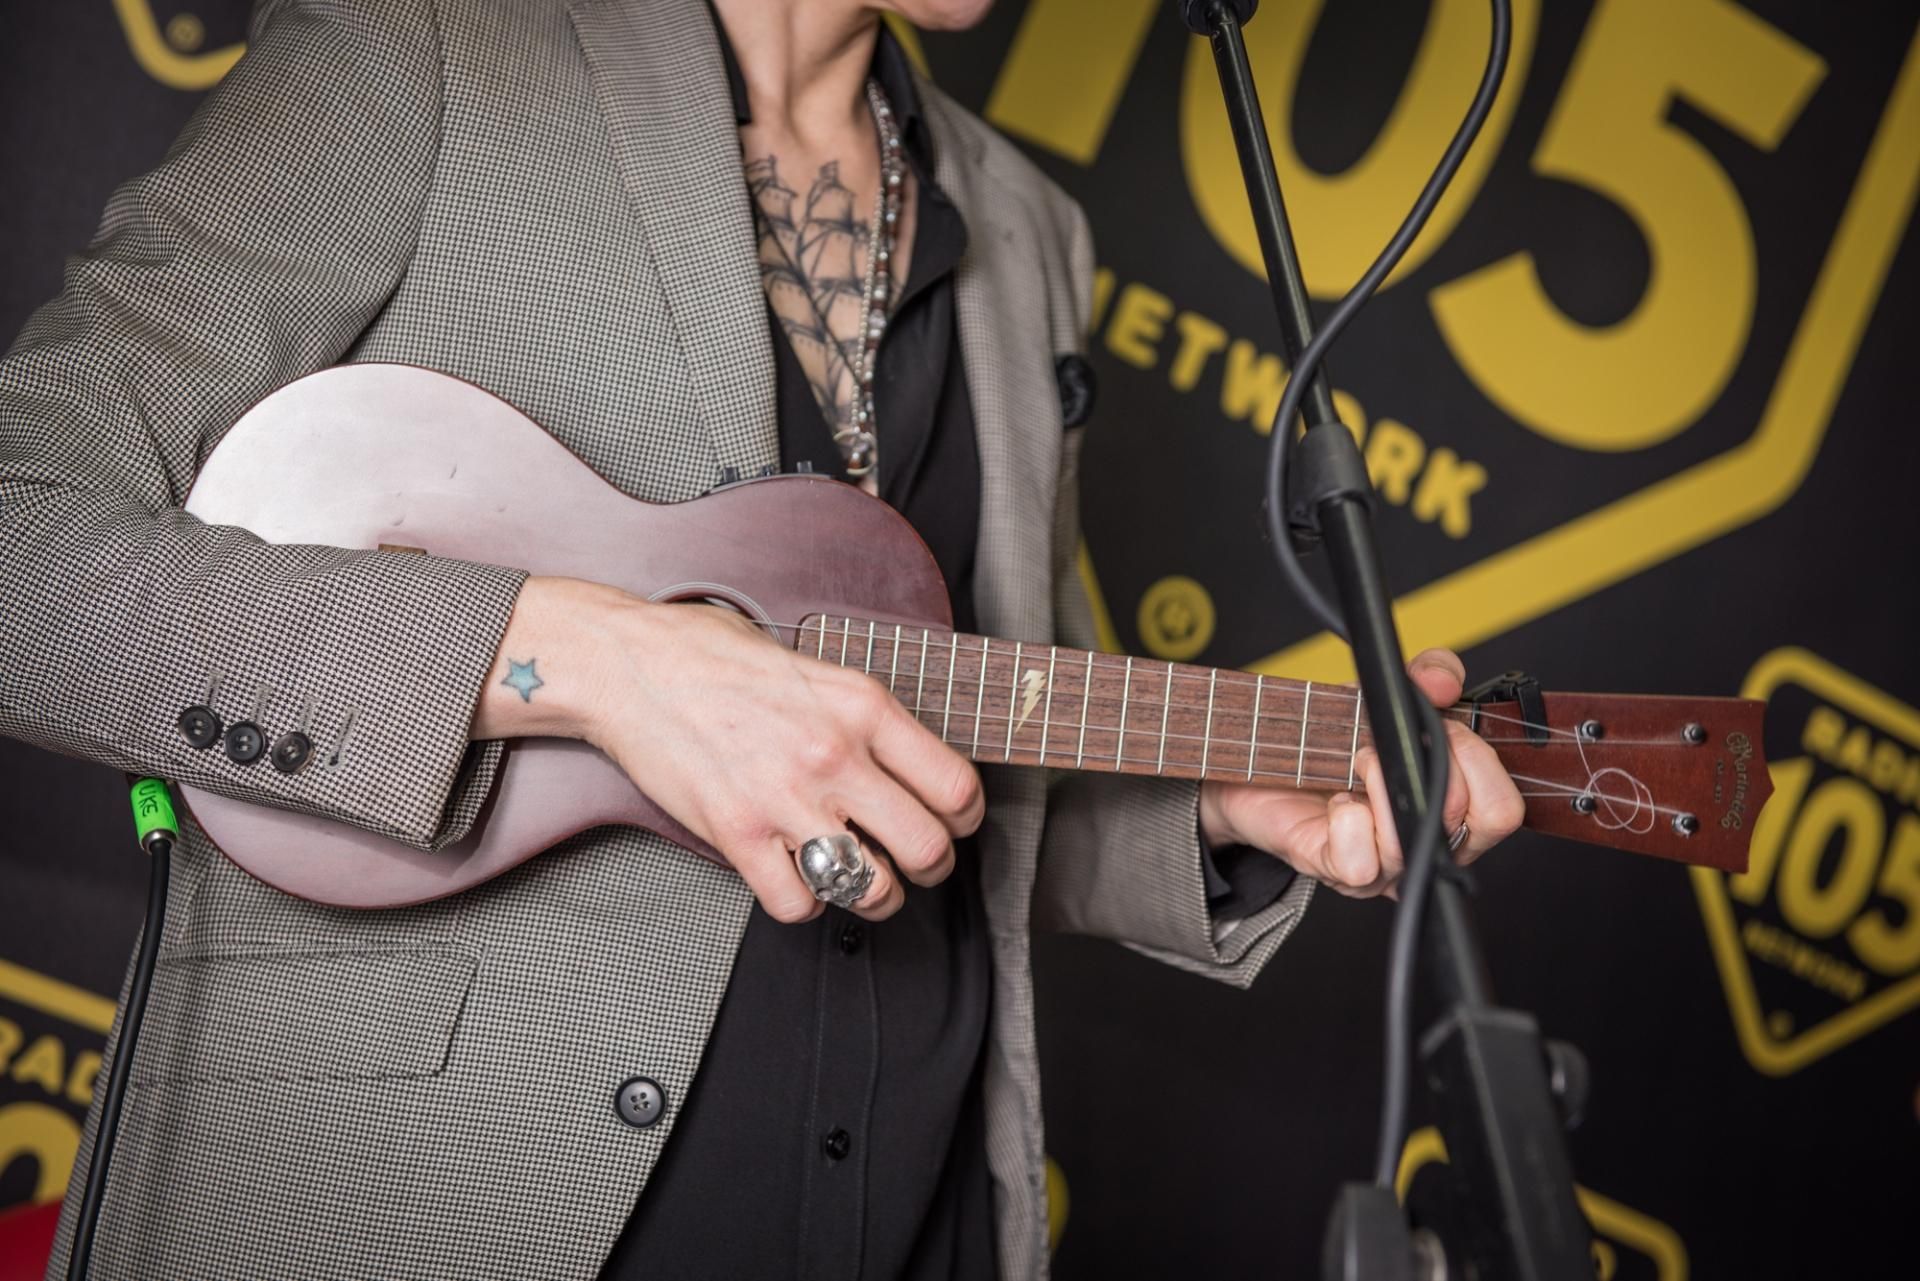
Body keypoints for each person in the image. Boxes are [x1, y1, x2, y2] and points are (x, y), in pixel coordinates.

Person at [0, 0, 1524, 1276]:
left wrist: (1221, 806)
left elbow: (934, 759)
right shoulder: (432, 40)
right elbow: (25, 543)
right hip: (422, 1204)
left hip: (911, 1213)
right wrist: (595, 659)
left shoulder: (1029, 231)